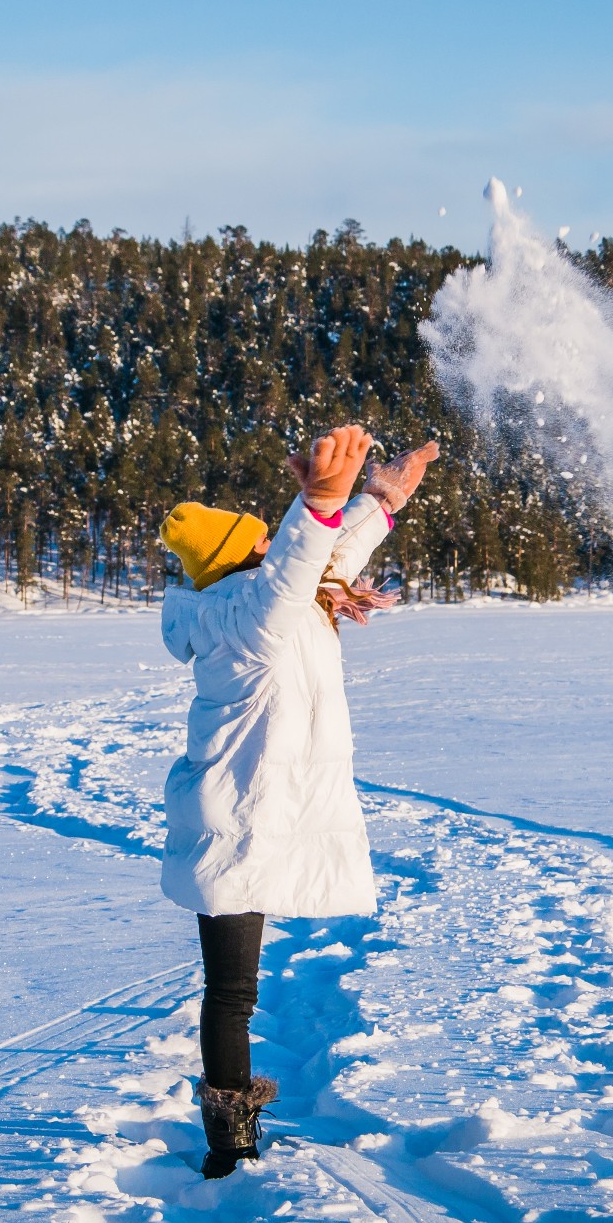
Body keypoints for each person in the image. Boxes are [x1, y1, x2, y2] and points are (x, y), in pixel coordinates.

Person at [156, 425, 441, 1177]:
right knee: (232, 993)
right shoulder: (249, 617)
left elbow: (322, 559)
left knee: (233, 989)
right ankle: (230, 1141)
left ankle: (233, 1131)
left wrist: (379, 499)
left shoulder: (264, 604)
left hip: (249, 810)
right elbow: (296, 567)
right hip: (235, 823)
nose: (268, 551)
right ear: (241, 559)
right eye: (257, 545)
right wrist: (317, 500)